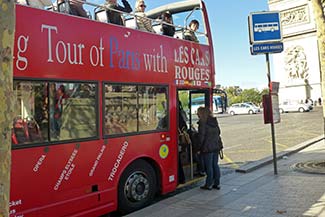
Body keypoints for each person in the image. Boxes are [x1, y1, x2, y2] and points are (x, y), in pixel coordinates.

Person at [197, 106, 221, 190]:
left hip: (207, 148)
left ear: (201, 113)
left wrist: (198, 148)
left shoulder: (202, 123)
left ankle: (208, 184)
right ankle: (216, 183)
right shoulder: (214, 121)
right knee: (215, 165)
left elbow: (201, 137)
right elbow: (219, 132)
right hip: (216, 146)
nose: (197, 114)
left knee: (208, 166)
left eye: (198, 112)